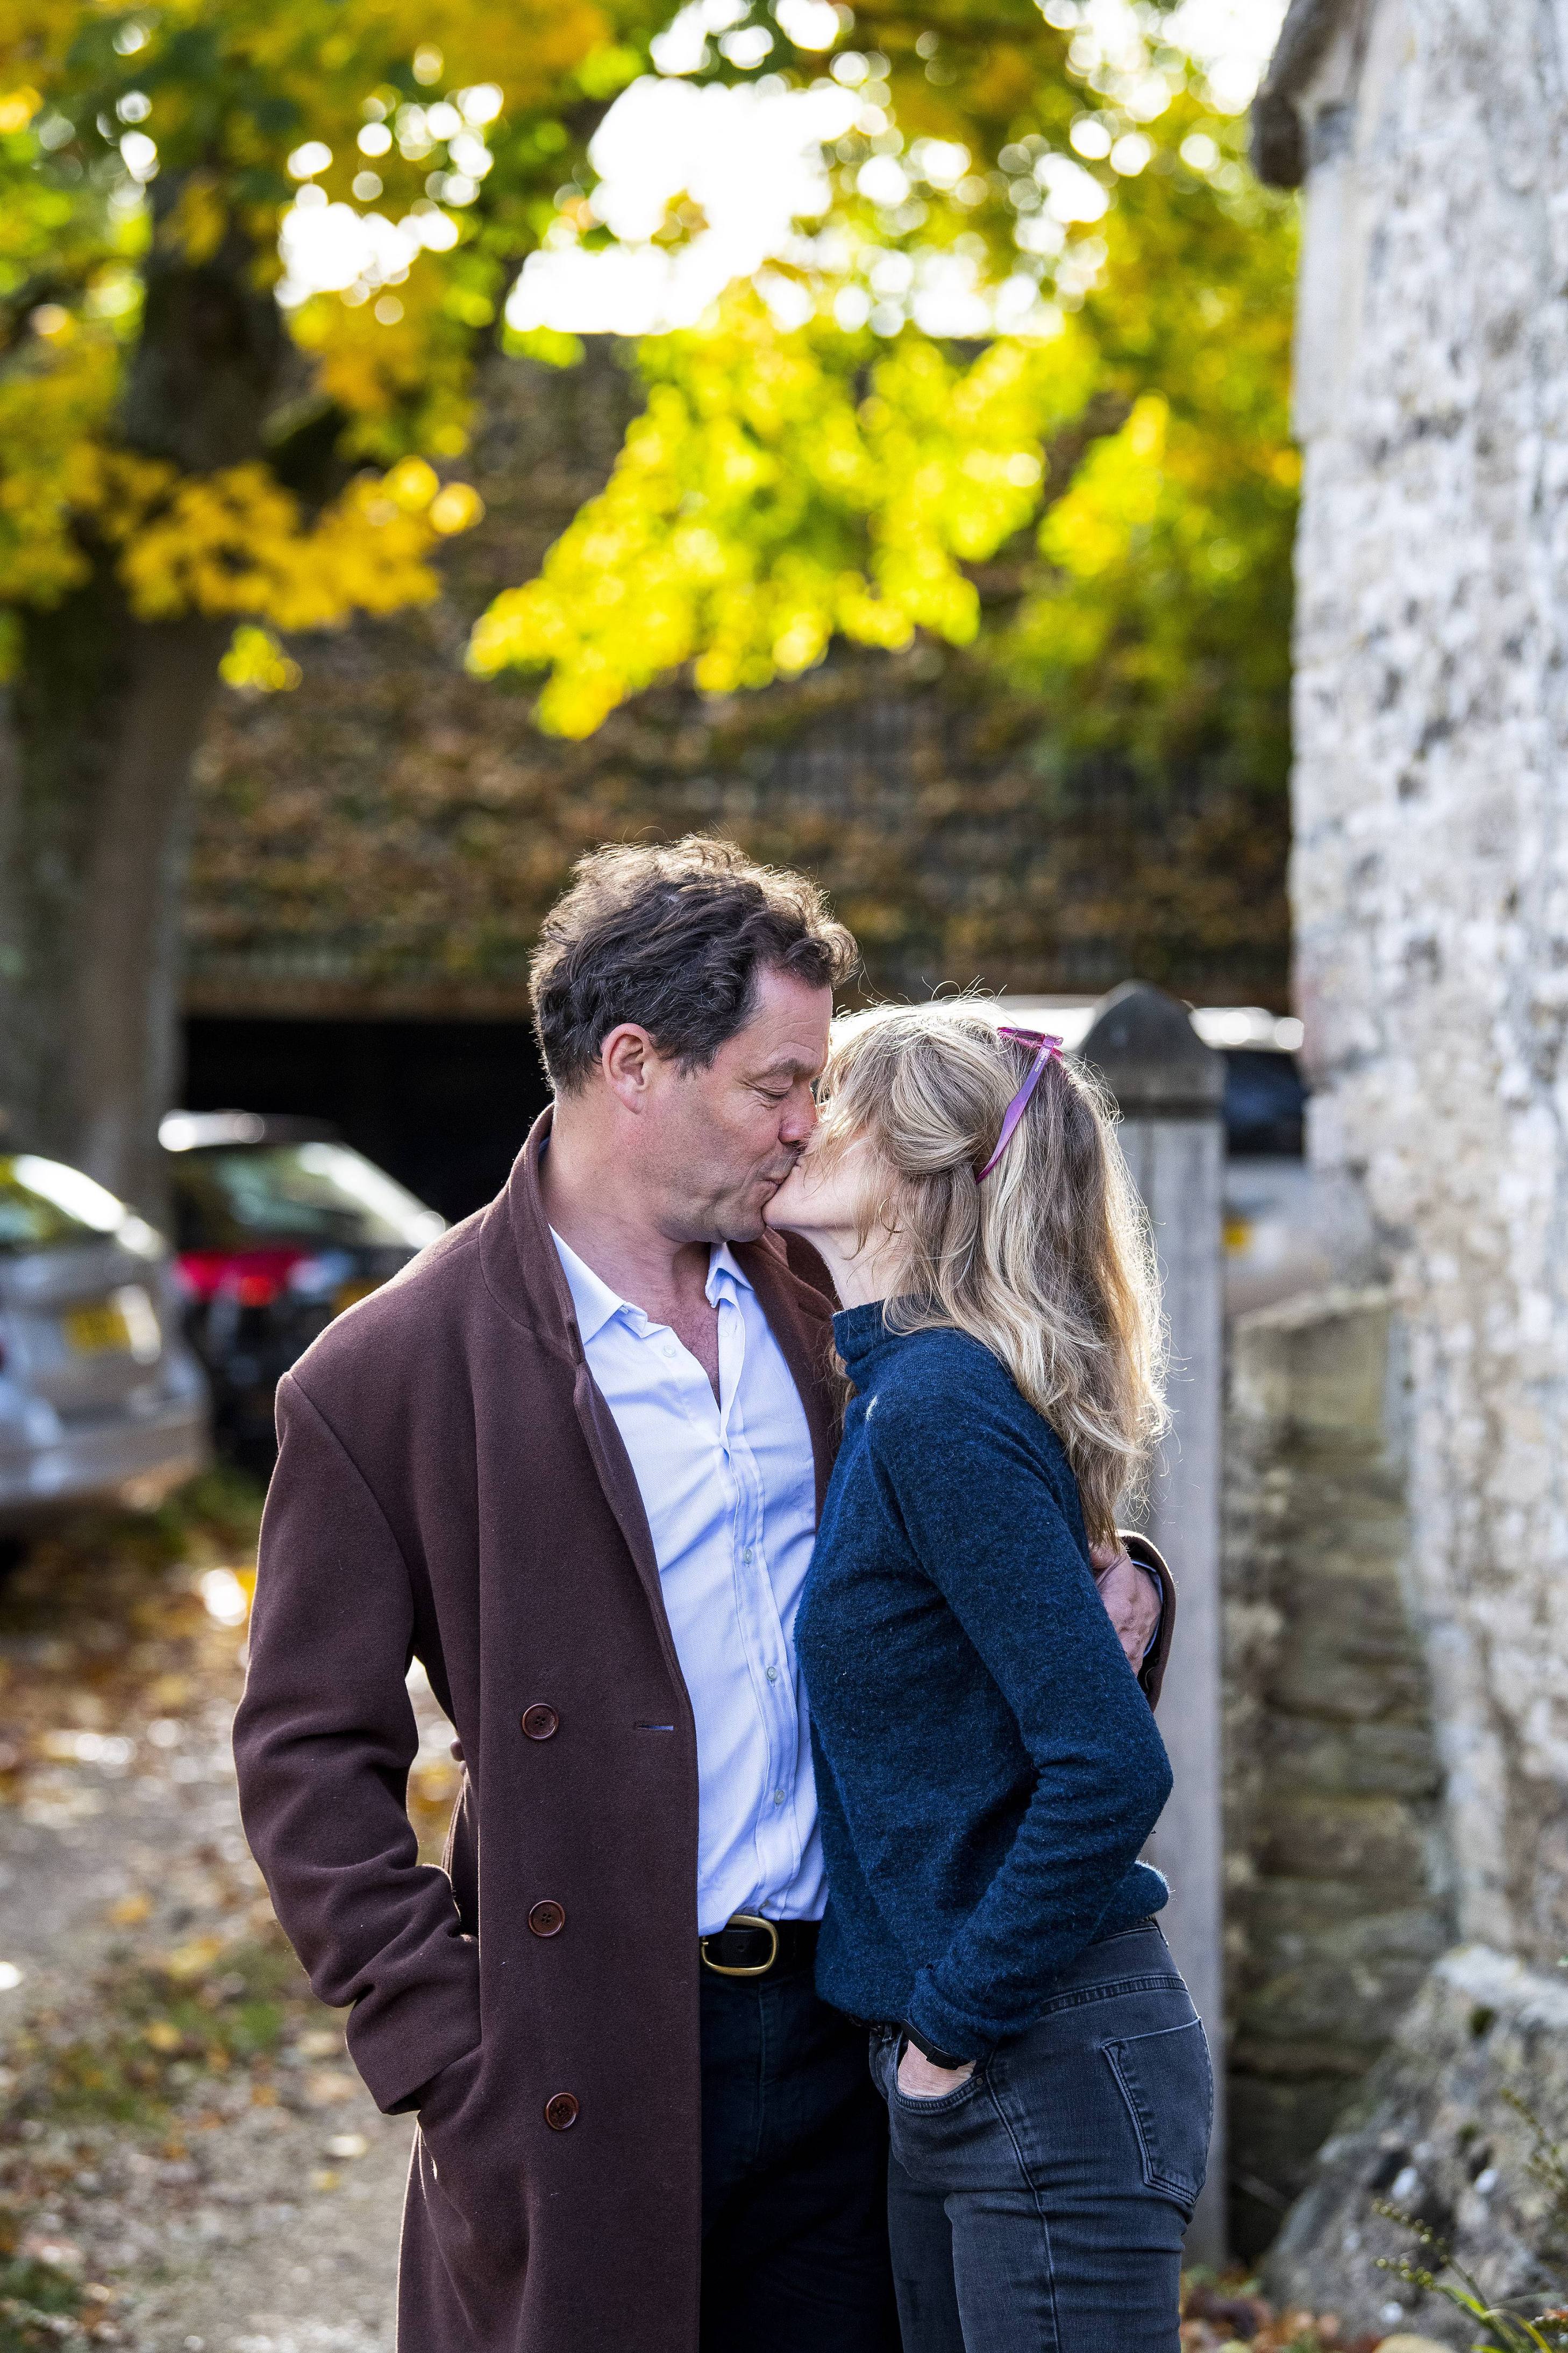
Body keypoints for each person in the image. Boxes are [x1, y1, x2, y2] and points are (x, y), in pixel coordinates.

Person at [231, 836, 1168, 2353]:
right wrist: (440, 2047)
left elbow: (996, 1557)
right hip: (577, 2052)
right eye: (775, 1085)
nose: (808, 1130)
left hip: (853, 2023)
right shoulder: (387, 1375)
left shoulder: (836, 1299)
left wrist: (1120, 1599)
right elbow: (303, 1755)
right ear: (633, 1066)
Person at [766, 1001, 1209, 2353]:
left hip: (1040, 2061)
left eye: (830, 1097)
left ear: (917, 1168)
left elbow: (1112, 1765)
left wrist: (946, 2039)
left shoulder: (944, 1404)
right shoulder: (905, 1393)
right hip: (981, 2065)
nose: (794, 1117)